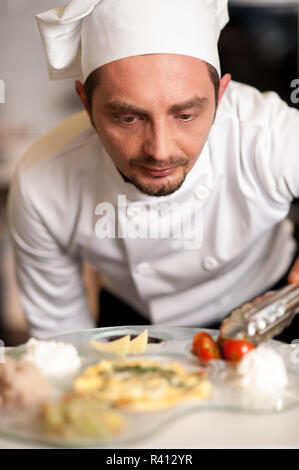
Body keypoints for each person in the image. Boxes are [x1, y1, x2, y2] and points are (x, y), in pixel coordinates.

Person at [7, 0, 299, 341]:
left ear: (221, 95)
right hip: (134, 325)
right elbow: (62, 342)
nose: (160, 151)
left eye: (186, 115)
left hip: (272, 305)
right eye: (128, 118)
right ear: (86, 104)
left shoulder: (267, 135)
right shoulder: (42, 183)